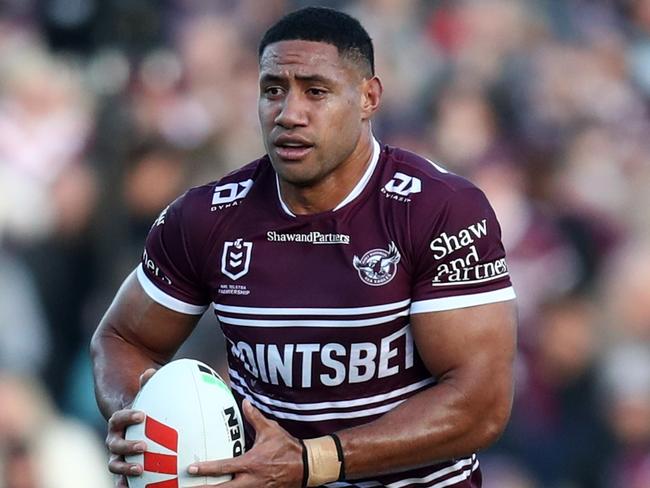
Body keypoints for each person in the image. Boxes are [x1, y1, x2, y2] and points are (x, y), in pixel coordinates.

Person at [91, 7, 517, 488]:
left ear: (368, 97)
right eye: (273, 90)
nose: (289, 113)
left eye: (316, 91)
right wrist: (136, 416)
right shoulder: (206, 217)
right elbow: (122, 339)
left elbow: (481, 405)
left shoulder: (441, 210)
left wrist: (313, 462)